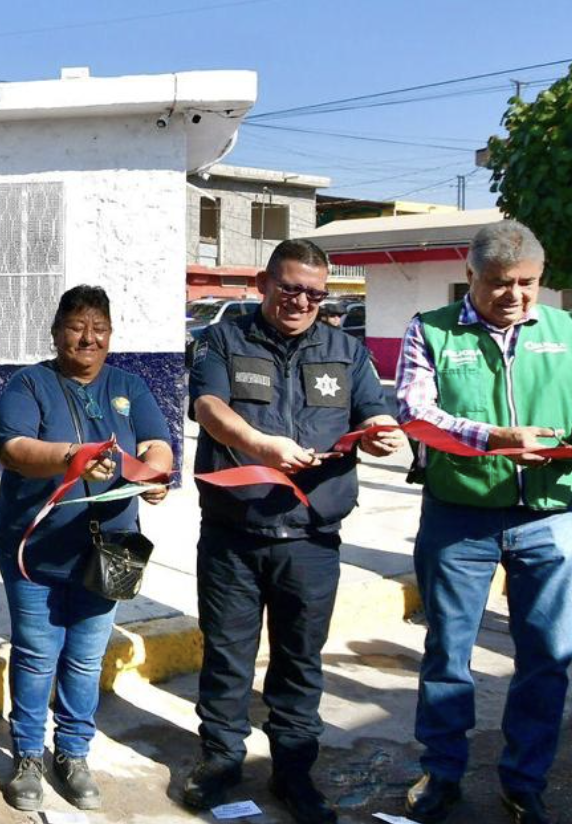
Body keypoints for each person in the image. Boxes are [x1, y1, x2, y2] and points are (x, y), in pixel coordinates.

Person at [395, 220, 572, 824]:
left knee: (548, 657)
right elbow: (415, 413)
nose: (515, 295)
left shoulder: (567, 330)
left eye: (527, 283)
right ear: (470, 275)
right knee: (448, 654)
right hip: (460, 515)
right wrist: (491, 438)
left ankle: (525, 782)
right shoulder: (431, 331)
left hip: (550, 517)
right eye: (500, 283)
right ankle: (442, 773)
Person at [181, 239, 402, 824]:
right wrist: (260, 445)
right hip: (235, 533)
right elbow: (208, 407)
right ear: (263, 283)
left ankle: (295, 772)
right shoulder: (221, 340)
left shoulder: (345, 350)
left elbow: (372, 410)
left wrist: (380, 428)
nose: (301, 300)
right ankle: (222, 762)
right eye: (290, 288)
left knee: (300, 661)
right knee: (227, 658)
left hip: (311, 538)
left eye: (314, 293)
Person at [0, 285, 174, 813]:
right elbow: (15, 449)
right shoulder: (29, 383)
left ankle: (72, 752)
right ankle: (27, 753)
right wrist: (73, 455)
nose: (88, 338)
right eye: (76, 326)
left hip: (109, 549)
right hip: (36, 547)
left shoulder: (129, 385)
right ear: (55, 333)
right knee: (36, 652)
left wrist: (155, 469)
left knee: (87, 656)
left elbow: (156, 443)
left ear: (111, 335)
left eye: (100, 328)